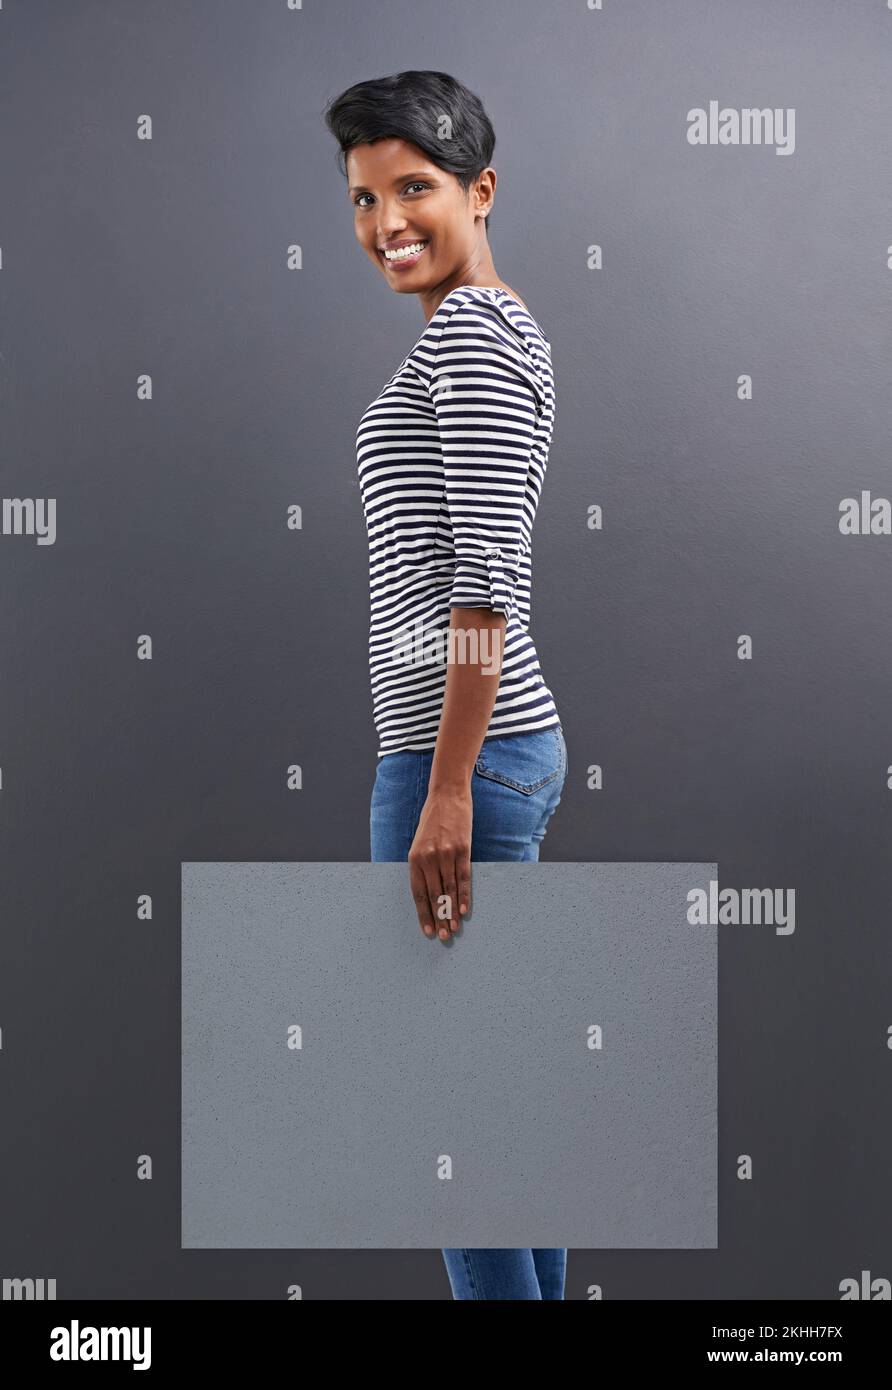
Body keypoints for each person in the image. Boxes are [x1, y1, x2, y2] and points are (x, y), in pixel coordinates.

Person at [324, 69, 567, 1300]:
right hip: (484, 749)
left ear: (480, 188)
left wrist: (450, 788)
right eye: (363, 198)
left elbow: (485, 584)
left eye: (411, 188)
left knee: (451, 1116)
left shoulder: (474, 333)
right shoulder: (487, 327)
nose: (384, 224)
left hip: (458, 756)